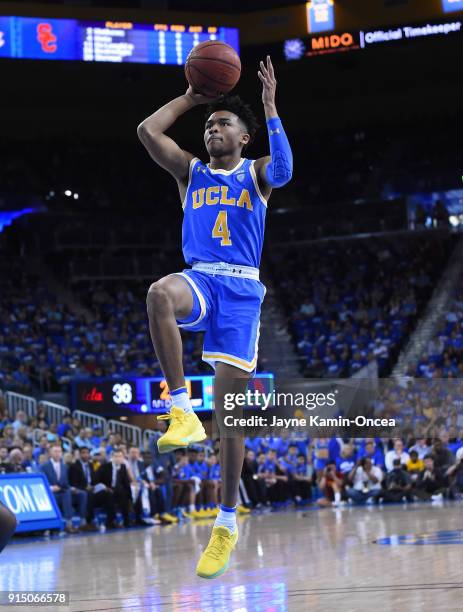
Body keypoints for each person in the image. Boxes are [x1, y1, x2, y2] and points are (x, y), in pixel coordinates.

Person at [137, 54, 292, 578]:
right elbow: (146, 130)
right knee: (160, 292)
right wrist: (191, 97)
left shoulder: (257, 174)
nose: (212, 128)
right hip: (201, 277)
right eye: (208, 125)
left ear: (244, 137)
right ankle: (180, 410)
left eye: (222, 122)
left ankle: (225, 522)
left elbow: (287, 169)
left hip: (242, 291)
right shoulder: (190, 171)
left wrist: (269, 108)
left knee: (231, 416)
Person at [41, 443, 89, 533]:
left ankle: (83, 522)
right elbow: (40, 483)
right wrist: (51, 488)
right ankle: (68, 523)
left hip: (63, 491)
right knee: (66, 494)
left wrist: (72, 488)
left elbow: (66, 483)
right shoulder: (44, 466)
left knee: (82, 493)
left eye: (59, 451)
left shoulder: (64, 466)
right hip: (52, 495)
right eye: (55, 451)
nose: (57, 453)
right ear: (50, 453)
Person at [68, 446, 115, 529]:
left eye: (87, 453)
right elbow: (73, 483)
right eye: (83, 453)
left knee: (108, 493)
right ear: (79, 454)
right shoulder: (74, 466)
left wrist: (102, 486)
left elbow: (94, 480)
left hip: (92, 489)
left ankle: (110, 521)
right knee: (89, 494)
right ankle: (89, 522)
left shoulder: (91, 465)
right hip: (81, 491)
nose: (86, 455)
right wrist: (85, 488)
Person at [95, 449, 132, 528]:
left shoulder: (123, 467)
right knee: (109, 495)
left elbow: (126, 482)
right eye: (116, 456)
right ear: (112, 457)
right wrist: (105, 487)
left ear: (123, 458)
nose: (118, 458)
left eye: (120, 456)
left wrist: (130, 496)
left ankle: (127, 520)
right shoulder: (104, 466)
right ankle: (110, 521)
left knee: (125, 494)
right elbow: (96, 480)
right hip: (104, 490)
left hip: (117, 489)